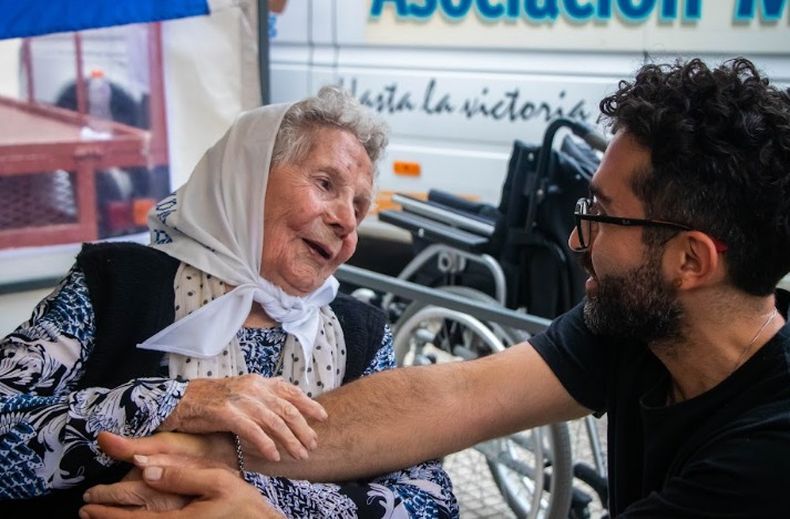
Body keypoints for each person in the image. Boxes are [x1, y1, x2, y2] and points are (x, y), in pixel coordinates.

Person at [90, 57, 790, 517]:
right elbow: (455, 394)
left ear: (691, 262)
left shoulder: (764, 459)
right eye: (323, 183)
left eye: (601, 216)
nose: (579, 241)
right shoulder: (643, 329)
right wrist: (205, 453)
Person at [0, 86, 458, 518]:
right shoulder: (118, 283)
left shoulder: (363, 334)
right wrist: (166, 404)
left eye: (359, 208)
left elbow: (432, 501)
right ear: (247, 177)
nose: (345, 222)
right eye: (325, 184)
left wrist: (261, 501)